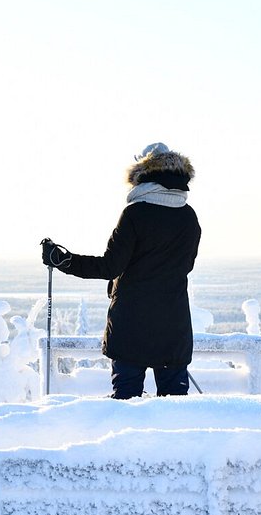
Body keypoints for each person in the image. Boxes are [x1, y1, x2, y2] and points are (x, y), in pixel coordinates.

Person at [43, 143, 202, 399]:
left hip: (131, 326)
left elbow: (110, 266)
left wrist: (63, 260)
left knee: (125, 404)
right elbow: (186, 266)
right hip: (174, 326)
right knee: (176, 409)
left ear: (142, 175)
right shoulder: (189, 217)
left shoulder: (135, 214)